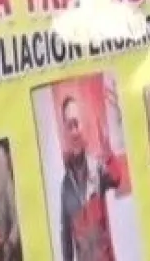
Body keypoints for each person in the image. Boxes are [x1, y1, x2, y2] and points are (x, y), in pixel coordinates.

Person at [58, 96, 119, 261]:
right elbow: (66, 239)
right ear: (65, 132)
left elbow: (116, 179)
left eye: (77, 123)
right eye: (69, 125)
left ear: (83, 126)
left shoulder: (97, 168)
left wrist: (110, 157)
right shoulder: (65, 187)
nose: (74, 131)